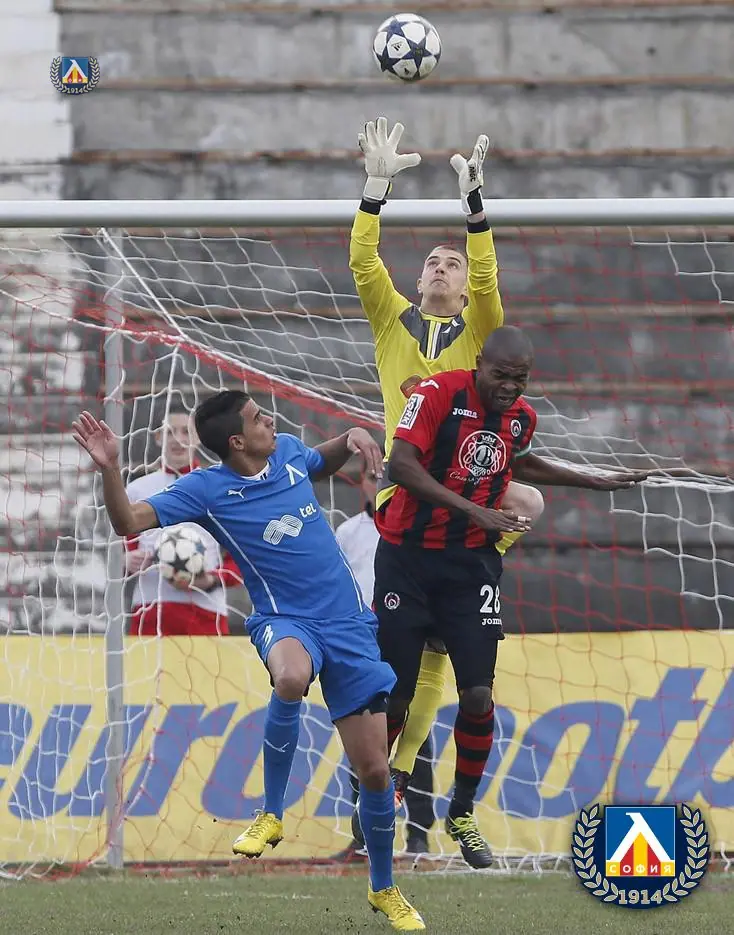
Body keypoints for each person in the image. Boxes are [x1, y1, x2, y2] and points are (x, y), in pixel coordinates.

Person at [72, 392, 424, 932]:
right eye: (259, 418)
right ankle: (271, 813)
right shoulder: (206, 489)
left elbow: (321, 459)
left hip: (349, 625)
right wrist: (111, 468)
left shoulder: (288, 452)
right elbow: (128, 522)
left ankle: (383, 888)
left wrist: (350, 439)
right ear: (237, 441)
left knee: (375, 771)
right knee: (291, 676)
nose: (270, 420)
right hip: (285, 620)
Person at [374, 326, 650, 868]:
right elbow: (399, 465)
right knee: (397, 696)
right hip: (407, 559)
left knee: (478, 695)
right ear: (480, 363)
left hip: (470, 565)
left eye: (520, 378)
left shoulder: (521, 416)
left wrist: (590, 479)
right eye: (501, 375)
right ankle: (376, 791)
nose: (510, 386)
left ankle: (462, 813)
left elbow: (516, 463)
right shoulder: (437, 393)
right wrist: (474, 509)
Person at [349, 117, 544, 830]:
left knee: (529, 500)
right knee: (409, 668)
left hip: (467, 500)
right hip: (408, 492)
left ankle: (398, 777)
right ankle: (388, 774)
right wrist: (375, 191)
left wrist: (475, 209)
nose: (440, 266)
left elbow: (488, 275)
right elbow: (363, 263)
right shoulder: (390, 321)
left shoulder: (481, 336)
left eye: (451, 264)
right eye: (433, 260)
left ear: (464, 292)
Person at [335, 468, 435, 857]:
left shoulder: (417, 524)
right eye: (371, 476)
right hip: (364, 640)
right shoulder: (348, 531)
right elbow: (338, 583)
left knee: (414, 731)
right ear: (361, 483)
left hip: (408, 633)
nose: (377, 483)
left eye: (384, 476)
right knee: (362, 733)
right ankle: (364, 833)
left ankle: (418, 833)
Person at [125, 406, 243, 636]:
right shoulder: (137, 490)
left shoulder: (221, 487)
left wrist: (210, 580)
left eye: (186, 432)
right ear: (158, 438)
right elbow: (122, 551)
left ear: (198, 438)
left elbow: (241, 561)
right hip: (150, 612)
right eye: (170, 432)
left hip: (206, 614)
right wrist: (127, 561)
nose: (177, 439)